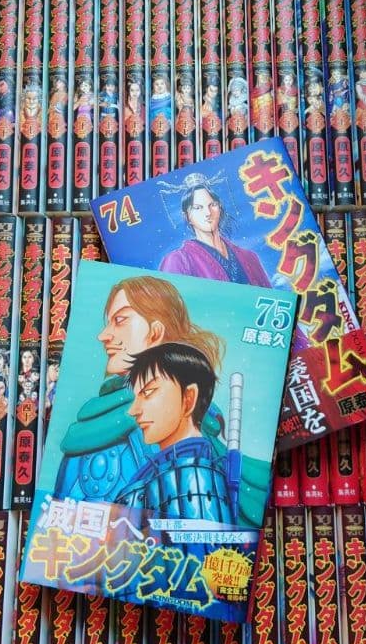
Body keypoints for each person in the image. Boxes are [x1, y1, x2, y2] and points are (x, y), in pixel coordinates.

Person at [54, 276, 226, 506]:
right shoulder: (100, 428)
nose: (103, 336)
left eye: (120, 320)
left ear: (155, 332)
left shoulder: (192, 428)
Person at [121, 342, 237, 523]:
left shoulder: (193, 476)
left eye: (148, 392)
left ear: (189, 398)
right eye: (137, 397)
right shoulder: (162, 470)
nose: (133, 410)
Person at [159, 179, 271, 286]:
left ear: (220, 209)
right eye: (198, 208)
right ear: (187, 216)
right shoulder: (178, 261)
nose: (208, 213)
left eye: (212, 205)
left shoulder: (250, 258)